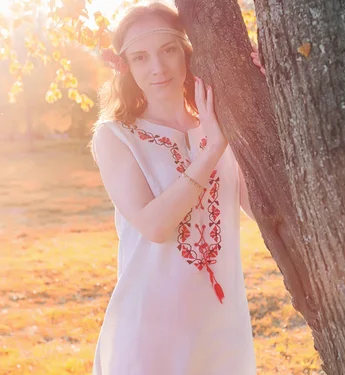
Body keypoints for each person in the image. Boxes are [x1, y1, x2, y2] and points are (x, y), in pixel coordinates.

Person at [90, 2, 263, 374]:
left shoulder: (222, 122)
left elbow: (262, 208)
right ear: (126, 67)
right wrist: (211, 149)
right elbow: (154, 226)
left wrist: (269, 92)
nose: (157, 67)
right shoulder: (116, 136)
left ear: (186, 50)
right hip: (151, 327)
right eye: (140, 57)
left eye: (168, 50)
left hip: (221, 324)